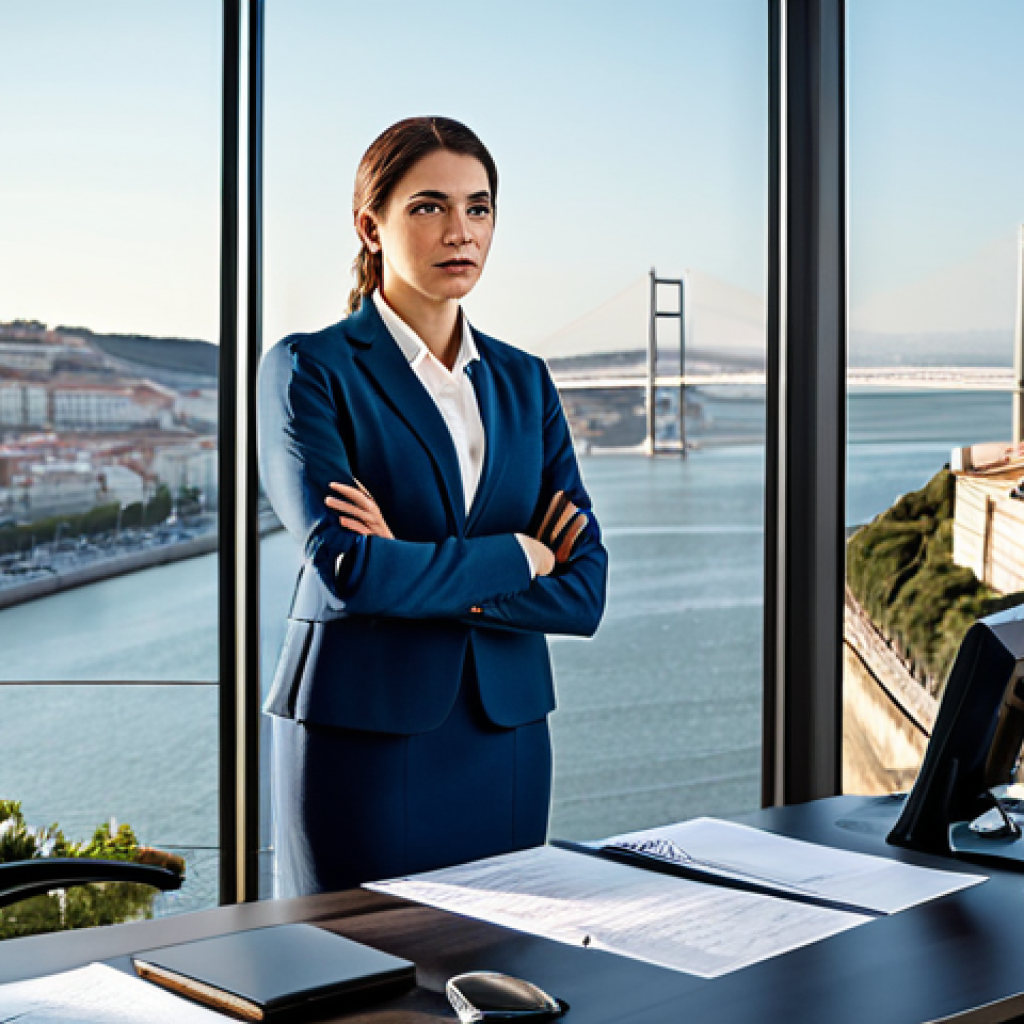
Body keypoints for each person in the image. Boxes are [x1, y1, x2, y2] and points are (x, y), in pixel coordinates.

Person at [258, 116, 608, 897]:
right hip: (363, 734)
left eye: (478, 208)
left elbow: (585, 593)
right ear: (370, 227)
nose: (461, 232)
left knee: (504, 952)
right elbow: (353, 571)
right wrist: (522, 554)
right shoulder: (309, 369)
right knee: (358, 959)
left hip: (506, 732)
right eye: (429, 207)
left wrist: (413, 566)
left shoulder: (525, 380)